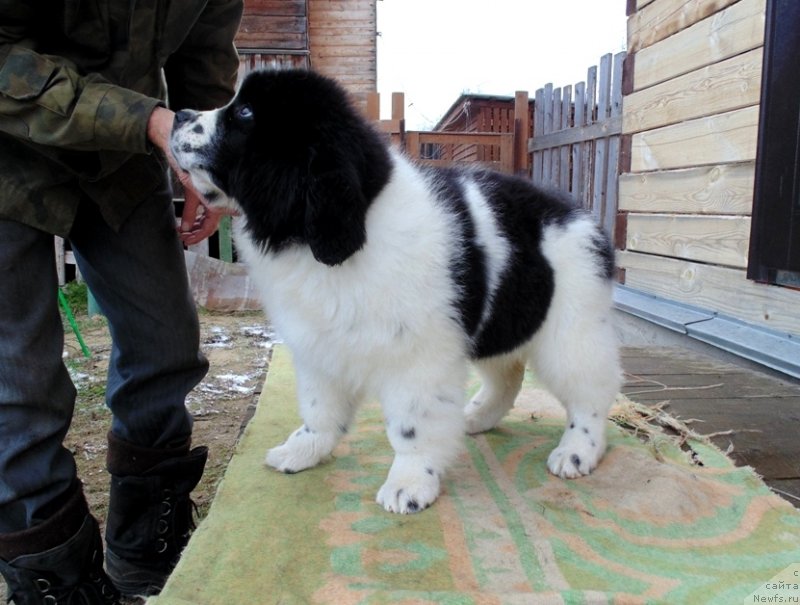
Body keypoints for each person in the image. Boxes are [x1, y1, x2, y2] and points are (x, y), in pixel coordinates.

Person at [0, 1, 243, 602]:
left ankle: (145, 549)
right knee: (19, 388)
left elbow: (203, 53)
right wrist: (154, 123)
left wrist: (207, 165)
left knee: (165, 348)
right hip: (7, 148)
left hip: (123, 157)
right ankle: (59, 582)